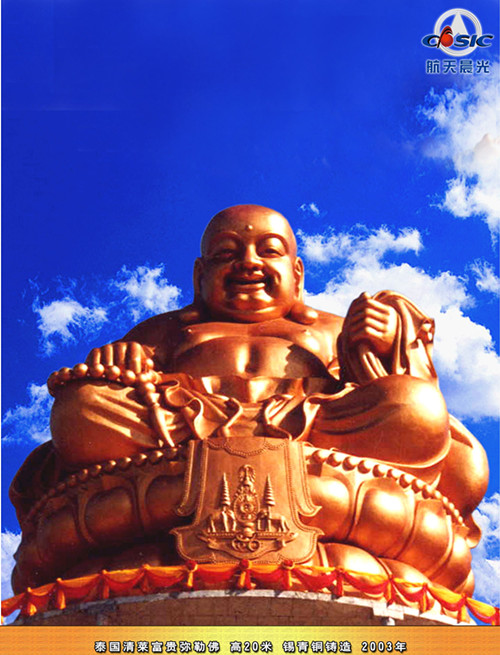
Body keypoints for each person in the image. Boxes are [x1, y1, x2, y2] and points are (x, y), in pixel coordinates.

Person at [10, 205, 488, 597]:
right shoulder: (168, 330)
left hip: (311, 425)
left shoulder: (329, 329)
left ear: (296, 273)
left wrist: (379, 351)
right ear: (200, 275)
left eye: (269, 250)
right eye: (227, 253)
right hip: (183, 424)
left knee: (415, 407)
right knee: (80, 410)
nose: (248, 262)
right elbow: (109, 386)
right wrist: (121, 360)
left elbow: (397, 399)